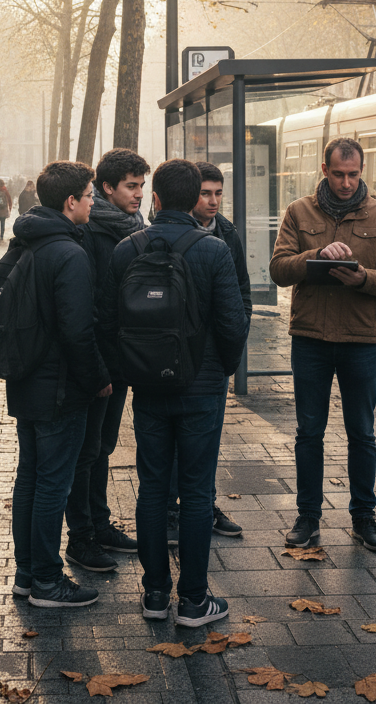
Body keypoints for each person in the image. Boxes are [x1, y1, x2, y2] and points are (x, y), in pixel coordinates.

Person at [100, 159, 248, 627]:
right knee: (198, 492)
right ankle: (195, 600)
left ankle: (155, 594)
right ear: (193, 200)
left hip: (148, 386)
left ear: (158, 199)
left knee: (152, 488)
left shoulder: (127, 249)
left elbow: (107, 322)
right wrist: (219, 370)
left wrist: (132, 370)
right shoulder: (213, 250)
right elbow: (233, 324)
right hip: (202, 388)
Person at [270, 137, 376, 554]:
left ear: (361, 172)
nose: (347, 183)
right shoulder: (299, 211)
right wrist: (317, 257)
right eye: (339, 174)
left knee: (361, 433)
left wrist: (363, 278)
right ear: (324, 171)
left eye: (354, 175)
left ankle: (364, 516)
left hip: (359, 341)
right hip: (309, 338)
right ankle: (307, 516)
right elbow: (278, 270)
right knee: (309, 432)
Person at [8, 160, 113, 608]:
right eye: (91, 196)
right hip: (59, 388)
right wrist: (98, 381)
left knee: (30, 480)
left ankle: (28, 574)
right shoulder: (69, 252)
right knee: (53, 484)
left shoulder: (27, 242)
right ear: (71, 202)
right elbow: (77, 330)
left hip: (27, 380)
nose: (94, 202)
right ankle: (49, 582)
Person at [64, 148, 149, 574]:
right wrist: (98, 368)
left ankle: (99, 524)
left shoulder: (135, 227)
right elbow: (93, 307)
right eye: (130, 186)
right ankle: (81, 536)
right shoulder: (92, 233)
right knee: (86, 451)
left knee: (104, 447)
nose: (138, 194)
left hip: (120, 360)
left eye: (141, 186)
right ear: (106, 188)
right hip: (99, 361)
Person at [174, 160, 253, 538]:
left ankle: (204, 504)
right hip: (174, 357)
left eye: (218, 193)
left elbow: (243, 295)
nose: (213, 201)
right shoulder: (170, 233)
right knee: (174, 444)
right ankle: (179, 509)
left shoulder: (227, 234)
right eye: (206, 193)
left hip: (212, 362)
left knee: (207, 442)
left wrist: (229, 354)